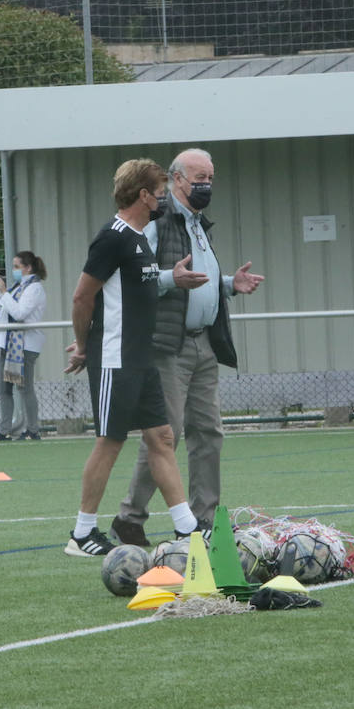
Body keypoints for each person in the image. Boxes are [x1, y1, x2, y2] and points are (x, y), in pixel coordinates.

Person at [109, 148, 264, 547]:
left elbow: (200, 277)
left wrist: (229, 284)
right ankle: (130, 516)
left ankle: (204, 519)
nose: (206, 184)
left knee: (208, 432)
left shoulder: (198, 224)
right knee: (166, 434)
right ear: (176, 179)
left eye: (210, 177)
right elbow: (137, 274)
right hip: (168, 346)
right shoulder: (157, 222)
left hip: (203, 345)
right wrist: (168, 279)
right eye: (199, 177)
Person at [62, 158, 198, 557]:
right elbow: (82, 296)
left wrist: (173, 276)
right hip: (115, 358)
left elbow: (139, 289)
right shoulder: (114, 237)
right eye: (159, 191)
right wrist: (84, 345)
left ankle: (188, 529)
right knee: (111, 441)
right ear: (143, 195)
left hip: (142, 358)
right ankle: (82, 533)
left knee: (162, 437)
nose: (163, 197)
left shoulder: (141, 237)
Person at [0, 250, 48, 442]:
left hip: (25, 345)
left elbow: (19, 313)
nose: (14, 271)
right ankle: (3, 430)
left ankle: (32, 430)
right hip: (9, 344)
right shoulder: (18, 287)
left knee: (24, 388)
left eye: (17, 267)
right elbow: (3, 311)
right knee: (3, 387)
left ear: (28, 268)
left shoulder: (34, 288)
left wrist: (4, 292)